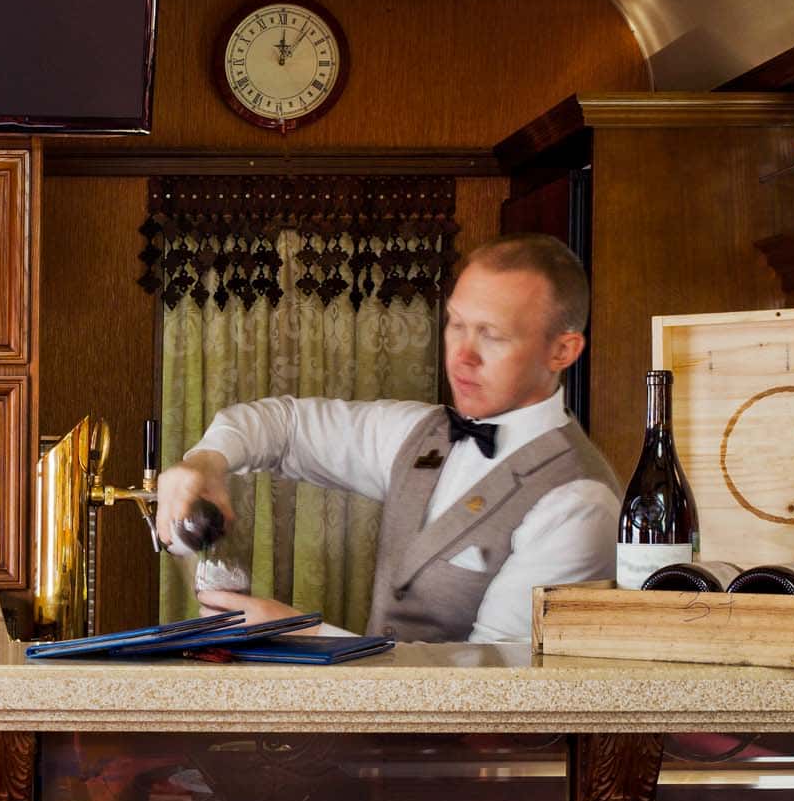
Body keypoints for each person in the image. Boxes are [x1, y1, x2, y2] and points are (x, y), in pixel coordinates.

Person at [153, 234, 618, 645]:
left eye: (492, 335)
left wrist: (304, 633)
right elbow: (285, 425)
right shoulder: (419, 433)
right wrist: (206, 463)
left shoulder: (580, 500)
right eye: (456, 324)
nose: (463, 354)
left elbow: (499, 679)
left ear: (563, 350)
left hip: (482, 745)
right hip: (382, 738)